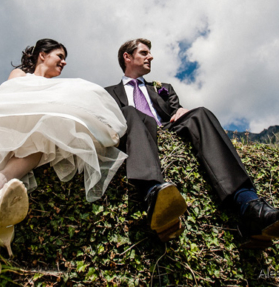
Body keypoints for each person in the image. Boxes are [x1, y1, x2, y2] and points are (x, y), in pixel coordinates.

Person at [0, 39, 127, 256]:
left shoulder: (58, 92)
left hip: (35, 135)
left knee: (43, 139)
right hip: (10, 125)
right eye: (60, 56)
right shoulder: (21, 75)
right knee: (41, 130)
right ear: (43, 55)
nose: (64, 62)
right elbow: (10, 99)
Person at [105, 38, 279, 248]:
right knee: (130, 112)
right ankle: (154, 194)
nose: (150, 56)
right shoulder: (108, 93)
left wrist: (180, 111)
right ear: (127, 57)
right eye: (144, 53)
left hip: (167, 129)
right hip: (135, 132)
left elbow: (175, 113)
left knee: (201, 114)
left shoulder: (163, 88)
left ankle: (249, 204)